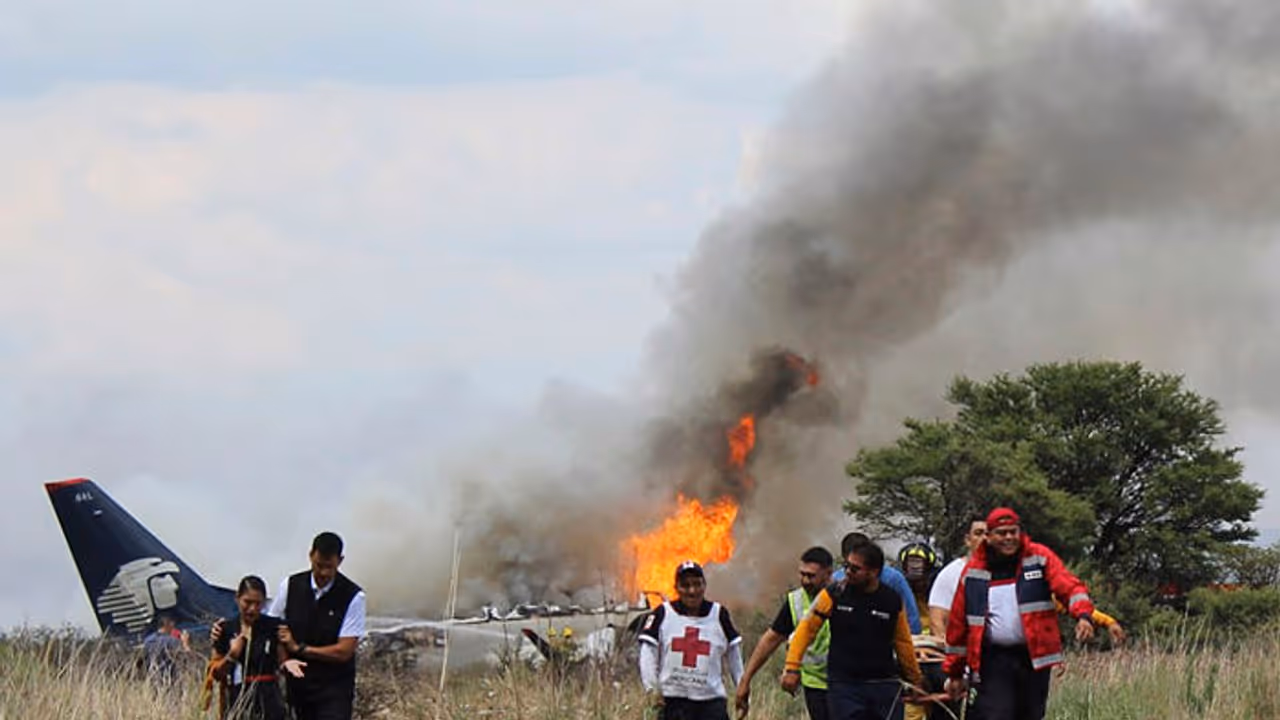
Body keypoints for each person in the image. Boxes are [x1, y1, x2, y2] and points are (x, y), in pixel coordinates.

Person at [943, 508, 1095, 720]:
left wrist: (1083, 616)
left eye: (1013, 532)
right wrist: (955, 672)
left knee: (1030, 715)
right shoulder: (973, 572)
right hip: (993, 660)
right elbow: (958, 626)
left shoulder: (1039, 558)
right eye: (1001, 533)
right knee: (995, 715)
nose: (1008, 538)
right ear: (989, 536)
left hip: (1033, 659)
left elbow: (1069, 587)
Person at [783, 540, 922, 720]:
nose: (848, 572)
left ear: (873, 572)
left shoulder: (891, 600)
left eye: (855, 569)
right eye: (846, 566)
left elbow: (903, 643)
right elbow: (806, 630)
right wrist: (792, 668)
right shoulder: (834, 594)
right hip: (844, 687)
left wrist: (915, 680)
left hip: (884, 687)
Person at [930, 517, 1127, 643]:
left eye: (987, 534)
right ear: (967, 539)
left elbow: (1062, 600)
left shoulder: (1014, 571)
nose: (983, 539)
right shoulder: (951, 574)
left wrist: (1106, 622)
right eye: (977, 534)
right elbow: (938, 621)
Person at [269, 531, 366, 720]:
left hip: (334, 690)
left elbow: (344, 651)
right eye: (319, 565)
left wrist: (300, 649)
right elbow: (273, 627)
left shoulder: (353, 596)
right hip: (297, 687)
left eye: (329, 567)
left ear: (340, 561)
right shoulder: (290, 586)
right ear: (311, 555)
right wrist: (284, 660)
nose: (323, 573)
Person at [735, 546, 834, 720]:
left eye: (811, 576)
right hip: (815, 685)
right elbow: (771, 639)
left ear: (828, 573)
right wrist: (746, 679)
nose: (805, 580)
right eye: (802, 574)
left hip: (846, 684)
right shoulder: (796, 601)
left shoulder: (844, 597)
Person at [639, 560, 745, 720]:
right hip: (673, 702)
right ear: (676, 588)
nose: (692, 591)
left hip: (711, 704)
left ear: (704, 585)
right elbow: (648, 653)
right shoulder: (663, 613)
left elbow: (734, 655)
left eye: (697, 584)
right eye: (685, 585)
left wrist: (742, 690)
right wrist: (652, 689)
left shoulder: (718, 614)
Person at [210, 576, 306, 720]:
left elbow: (282, 660)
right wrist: (232, 655)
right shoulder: (225, 629)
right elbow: (215, 673)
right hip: (237, 700)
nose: (252, 609)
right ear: (237, 598)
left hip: (268, 701)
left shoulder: (273, 626)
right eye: (247, 602)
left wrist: (287, 663)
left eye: (258, 604)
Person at [832, 532, 922, 634]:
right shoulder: (836, 581)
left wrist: (912, 638)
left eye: (857, 568)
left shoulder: (893, 579)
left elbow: (911, 616)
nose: (849, 572)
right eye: (848, 565)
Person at [896, 543, 946, 720]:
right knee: (912, 706)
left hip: (938, 657)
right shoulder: (898, 595)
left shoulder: (941, 594)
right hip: (909, 658)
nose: (918, 585)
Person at [142, 613, 189, 683]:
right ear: (166, 624)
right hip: (169, 679)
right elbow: (187, 658)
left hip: (152, 678)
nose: (173, 626)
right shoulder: (172, 641)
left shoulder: (148, 640)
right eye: (171, 623)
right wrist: (185, 642)